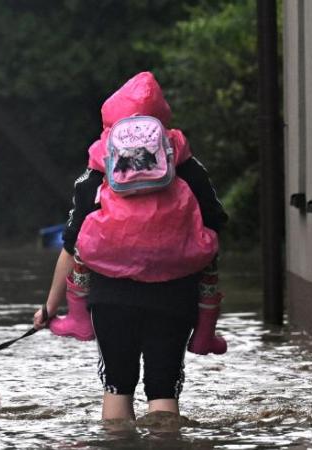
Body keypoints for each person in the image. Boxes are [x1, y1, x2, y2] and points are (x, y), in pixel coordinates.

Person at [33, 72, 228, 420]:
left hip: (111, 297)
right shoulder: (189, 168)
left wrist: (50, 306)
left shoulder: (97, 172)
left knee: (117, 387)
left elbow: (71, 244)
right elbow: (214, 227)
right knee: (164, 388)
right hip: (175, 294)